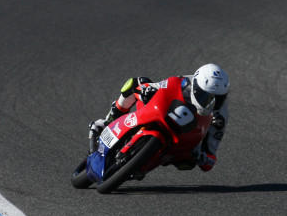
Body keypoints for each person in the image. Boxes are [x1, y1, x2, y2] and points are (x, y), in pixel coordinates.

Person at [90, 63, 230, 172]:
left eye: (218, 100)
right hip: (162, 112)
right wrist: (148, 89)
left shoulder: (219, 118)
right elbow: (162, 86)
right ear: (196, 87)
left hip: (184, 139)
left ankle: (145, 162)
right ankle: (109, 121)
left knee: (187, 164)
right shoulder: (186, 81)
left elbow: (210, 161)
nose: (210, 104)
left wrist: (201, 157)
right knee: (134, 83)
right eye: (206, 97)